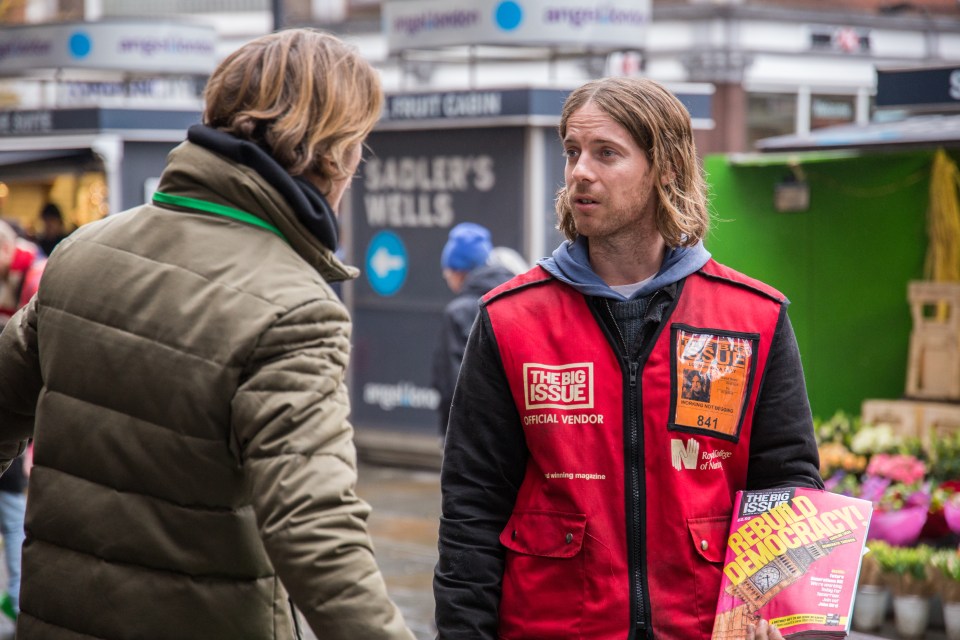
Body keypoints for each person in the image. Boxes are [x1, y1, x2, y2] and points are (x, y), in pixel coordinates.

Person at [0, 29, 414, 640]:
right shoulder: (295, 309)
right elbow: (315, 531)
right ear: (332, 154)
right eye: (358, 145)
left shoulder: (82, 253)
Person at [433, 77, 822, 640]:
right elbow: (471, 506)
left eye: (606, 153)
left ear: (664, 167)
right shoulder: (510, 319)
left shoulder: (749, 316)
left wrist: (774, 602)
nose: (579, 172)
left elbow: (787, 480)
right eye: (572, 152)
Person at [431, 223, 516, 437]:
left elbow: (452, 386)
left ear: (460, 271)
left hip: (470, 435)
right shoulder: (514, 298)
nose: (445, 275)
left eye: (448, 270)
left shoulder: (458, 312)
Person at [0, 221, 41, 624]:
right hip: (15, 450)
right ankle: (14, 602)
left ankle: (14, 601)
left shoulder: (35, 279)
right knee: (14, 527)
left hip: (15, 452)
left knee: (14, 527)